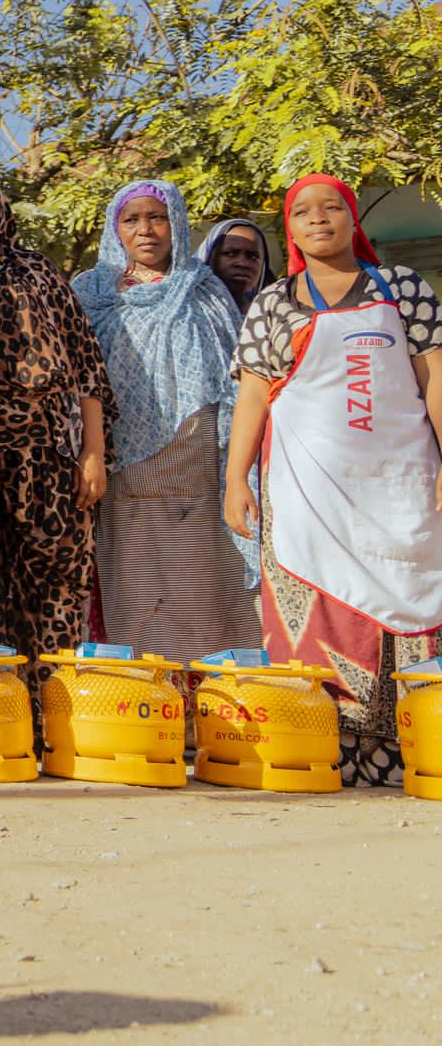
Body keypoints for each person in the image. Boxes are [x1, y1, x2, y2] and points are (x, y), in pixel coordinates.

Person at [225, 174, 442, 787]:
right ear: (289, 231)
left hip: (400, 484)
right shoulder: (274, 303)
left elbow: (435, 378)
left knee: (413, 597)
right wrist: (235, 478)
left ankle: (409, 746)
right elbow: (253, 398)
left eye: (331, 208)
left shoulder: (403, 289)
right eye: (301, 212)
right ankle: (324, 747)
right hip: (307, 490)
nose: (318, 219)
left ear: (353, 220)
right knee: (320, 611)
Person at [0, 169, 112, 675]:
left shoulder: (40, 271)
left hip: (45, 451)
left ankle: (53, 714)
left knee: (54, 583)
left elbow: (86, 365)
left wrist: (92, 452)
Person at [73, 179, 258, 662]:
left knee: (204, 583)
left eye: (156, 217)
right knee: (136, 584)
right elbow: (75, 377)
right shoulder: (87, 293)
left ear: (176, 223)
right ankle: (152, 700)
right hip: (118, 470)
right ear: (116, 229)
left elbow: (235, 380)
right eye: (131, 219)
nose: (146, 230)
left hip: (197, 468)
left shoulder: (205, 290)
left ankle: (215, 702)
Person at [199, 218, 276, 312]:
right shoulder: (190, 310)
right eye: (230, 254)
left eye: (253, 257)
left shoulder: (273, 314)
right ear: (209, 256)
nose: (242, 263)